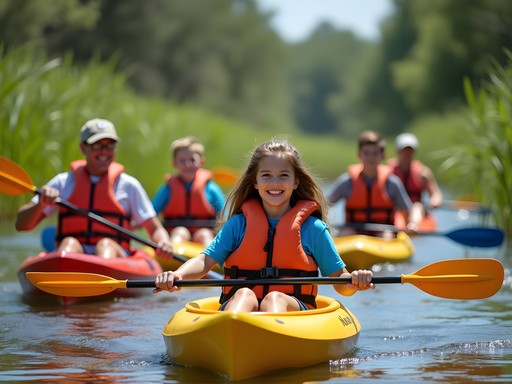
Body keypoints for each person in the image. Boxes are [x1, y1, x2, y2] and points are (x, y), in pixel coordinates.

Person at [153, 138, 374, 313]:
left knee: (274, 298)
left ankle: (270, 338)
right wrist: (177, 275)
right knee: (243, 295)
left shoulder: (313, 229)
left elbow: (339, 281)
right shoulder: (238, 224)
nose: (275, 182)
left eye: (283, 175)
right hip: (239, 308)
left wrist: (355, 281)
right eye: (266, 175)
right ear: (255, 182)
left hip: (293, 310)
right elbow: (205, 260)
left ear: (295, 182)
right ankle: (237, 331)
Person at [15, 118, 174, 259]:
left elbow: (154, 229)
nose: (104, 152)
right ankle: (67, 283)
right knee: (69, 243)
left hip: (115, 254)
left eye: (110, 146)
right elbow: (21, 225)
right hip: (76, 251)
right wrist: (41, 204)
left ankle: (100, 281)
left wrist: (164, 242)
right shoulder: (63, 182)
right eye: (98, 145)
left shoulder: (129, 185)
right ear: (83, 148)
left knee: (105, 245)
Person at [326, 130, 422, 236]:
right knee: (346, 232)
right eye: (366, 153)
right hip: (354, 231)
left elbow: (407, 212)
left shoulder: (392, 183)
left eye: (375, 153)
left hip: (383, 230)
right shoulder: (347, 182)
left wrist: (411, 224)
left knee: (386, 235)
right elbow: (325, 205)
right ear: (359, 155)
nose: (371, 158)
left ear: (382, 155)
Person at [152, 136, 225, 246]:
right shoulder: (168, 189)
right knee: (180, 232)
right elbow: (149, 214)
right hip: (174, 232)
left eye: (192, 160)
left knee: (205, 234)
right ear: (175, 164)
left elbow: (225, 217)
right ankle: (172, 257)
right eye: (182, 161)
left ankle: (210, 260)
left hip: (203, 233)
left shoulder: (211, 189)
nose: (187, 165)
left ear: (201, 161)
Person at [388, 133, 443, 225]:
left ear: (414, 152)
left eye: (410, 151)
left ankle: (413, 225)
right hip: (397, 209)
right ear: (397, 151)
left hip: (416, 210)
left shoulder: (423, 173)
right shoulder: (388, 171)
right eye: (404, 150)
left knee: (417, 206)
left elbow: (436, 194)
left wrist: (433, 202)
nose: (407, 154)